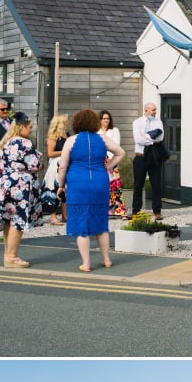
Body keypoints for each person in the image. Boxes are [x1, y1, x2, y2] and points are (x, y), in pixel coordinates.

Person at [58, 108, 125, 272]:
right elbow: (120, 152)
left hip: (78, 184)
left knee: (82, 225)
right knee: (101, 223)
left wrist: (60, 186)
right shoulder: (102, 139)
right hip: (99, 181)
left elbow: (63, 166)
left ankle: (86, 263)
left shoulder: (71, 140)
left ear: (77, 123)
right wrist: (108, 167)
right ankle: (106, 259)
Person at [0, 111, 42, 268]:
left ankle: (8, 254)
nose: (31, 130)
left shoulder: (5, 142)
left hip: (6, 182)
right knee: (18, 220)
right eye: (30, 127)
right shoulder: (25, 143)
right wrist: (40, 160)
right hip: (20, 184)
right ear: (21, 128)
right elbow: (35, 165)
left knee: (8, 219)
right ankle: (12, 257)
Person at [130, 102, 165, 220]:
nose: (155, 112)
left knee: (156, 184)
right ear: (146, 110)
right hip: (141, 157)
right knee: (138, 184)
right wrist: (152, 139)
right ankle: (136, 211)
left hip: (154, 157)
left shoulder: (158, 122)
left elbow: (160, 138)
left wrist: (145, 136)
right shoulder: (137, 122)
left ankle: (157, 211)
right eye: (153, 110)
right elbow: (138, 140)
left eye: (155, 110)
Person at [42, 114, 68, 225]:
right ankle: (53, 217)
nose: (67, 123)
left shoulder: (67, 135)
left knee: (65, 190)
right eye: (65, 121)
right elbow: (50, 153)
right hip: (55, 165)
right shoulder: (53, 136)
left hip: (66, 164)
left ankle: (65, 216)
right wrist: (65, 151)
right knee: (53, 190)